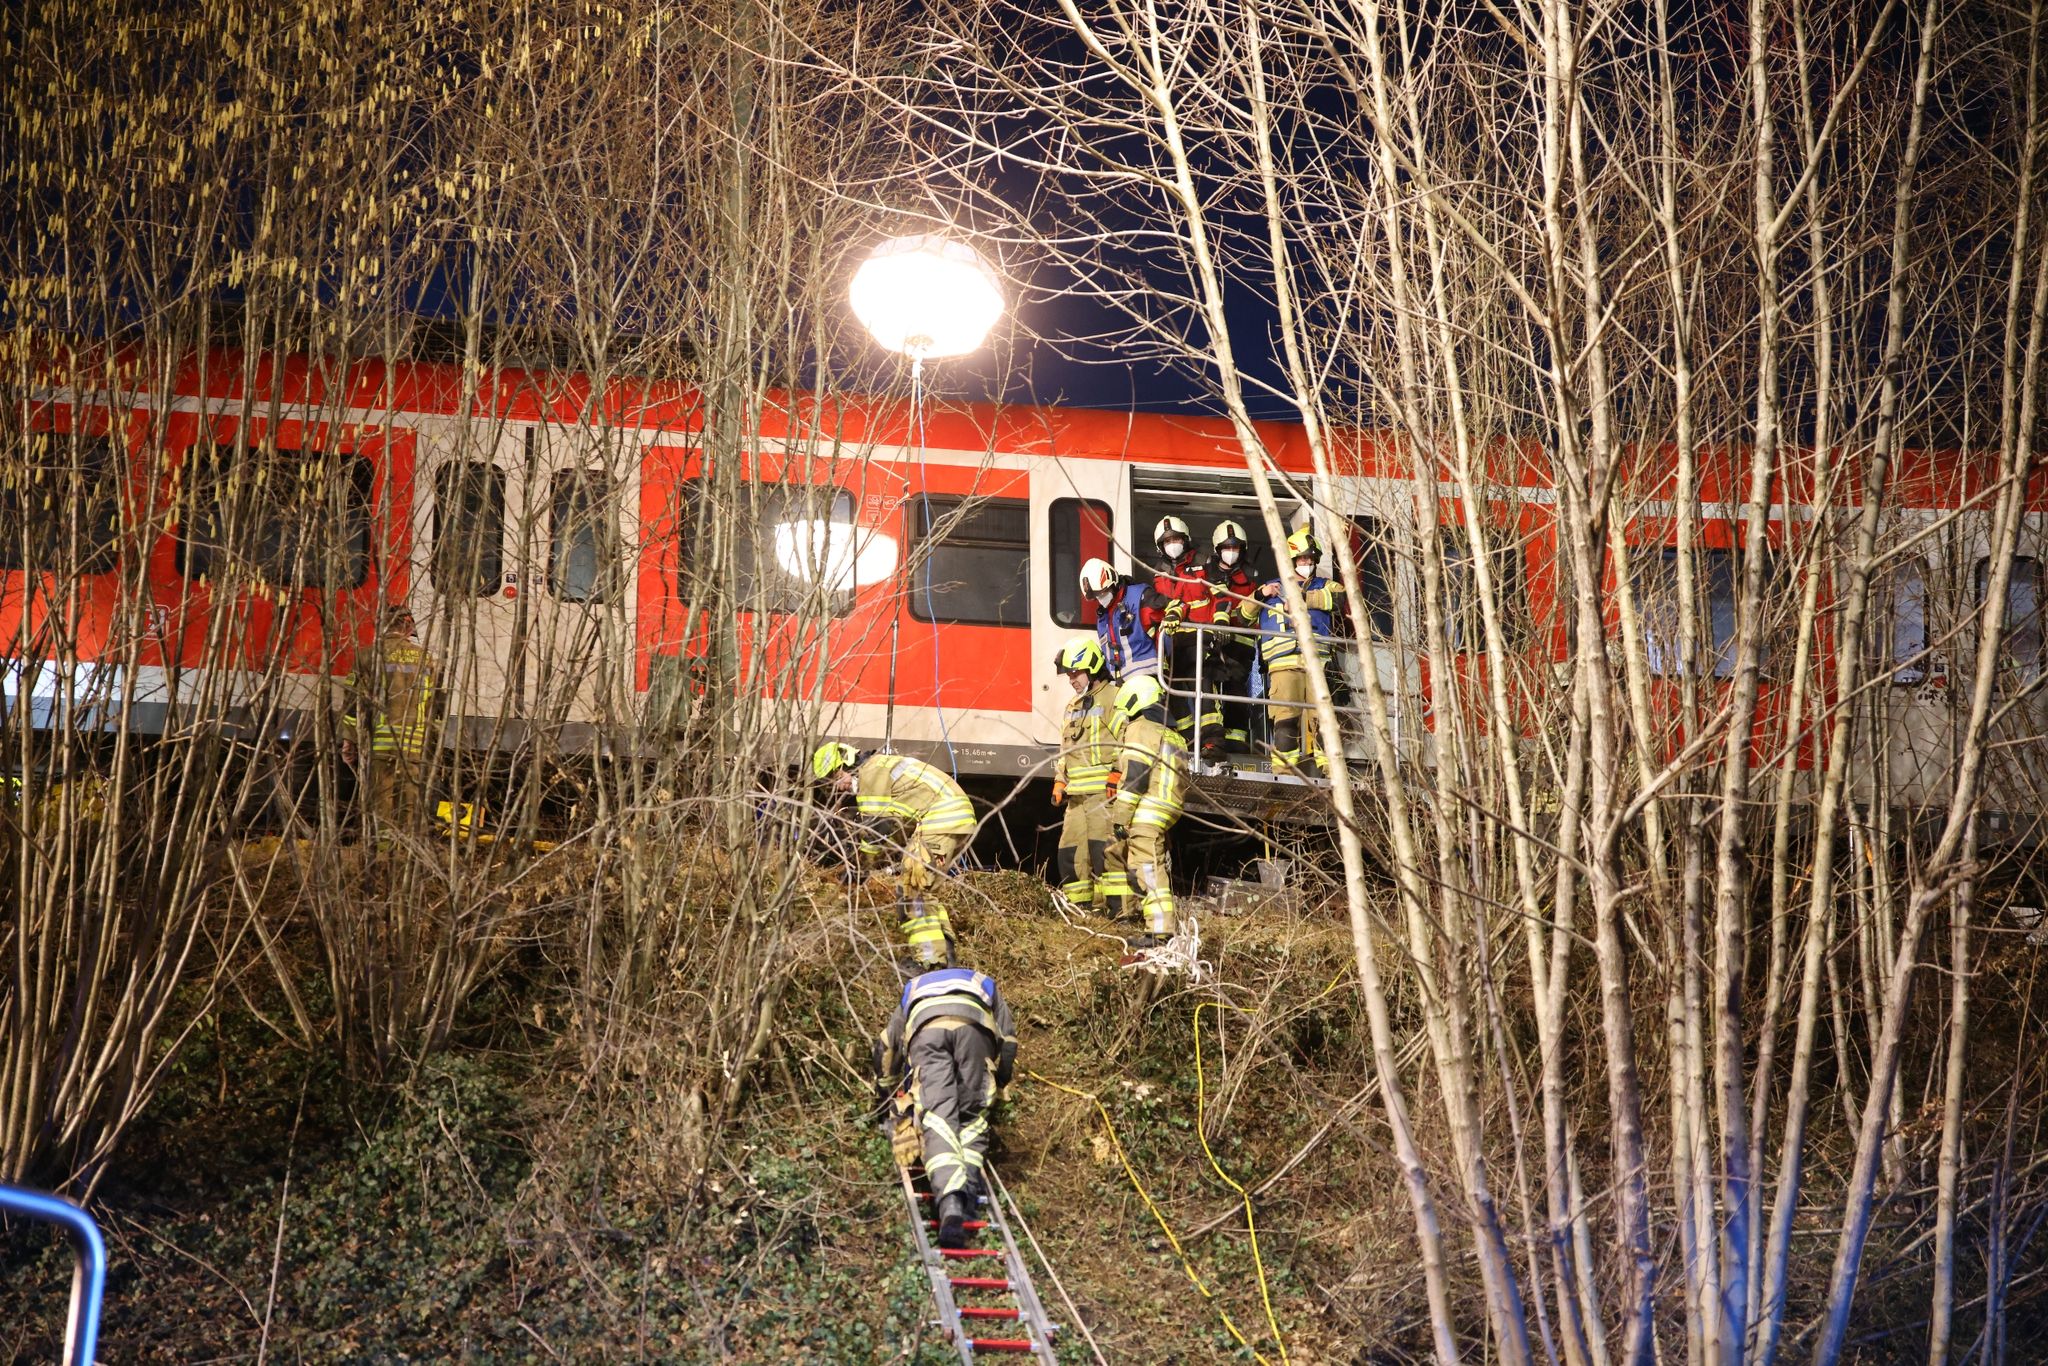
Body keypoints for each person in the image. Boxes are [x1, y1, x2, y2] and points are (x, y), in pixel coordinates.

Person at [873, 966, 1018, 1248]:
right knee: (972, 1116)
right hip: (975, 1034)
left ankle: (950, 1203)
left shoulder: (913, 987)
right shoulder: (982, 980)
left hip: (927, 1035)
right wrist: (1000, 1080)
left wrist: (884, 1092)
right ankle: (967, 1196)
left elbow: (887, 1046)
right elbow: (1009, 1041)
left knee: (938, 1117)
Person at [813, 742, 976, 966]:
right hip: (951, 818)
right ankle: (946, 958)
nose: (835, 787)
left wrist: (859, 870)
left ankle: (929, 963)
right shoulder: (880, 767)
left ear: (846, 765)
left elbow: (876, 831)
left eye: (834, 777)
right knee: (925, 892)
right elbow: (895, 826)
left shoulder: (871, 776)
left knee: (912, 892)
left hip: (940, 819)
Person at [342, 605, 438, 840]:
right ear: (407, 627)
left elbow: (352, 703)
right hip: (413, 748)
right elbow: (433, 705)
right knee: (408, 807)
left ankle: (381, 858)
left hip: (380, 746)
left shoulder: (367, 655)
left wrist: (349, 740)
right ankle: (402, 858)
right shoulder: (426, 659)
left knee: (381, 807)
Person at [1256, 527, 1346, 774]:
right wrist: (1258, 594)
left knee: (1324, 720)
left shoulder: (1328, 586)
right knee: (1286, 719)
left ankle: (1331, 771)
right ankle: (1284, 773)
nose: (1307, 562)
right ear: (1292, 560)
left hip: (1318, 663)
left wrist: (1301, 598)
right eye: (1302, 558)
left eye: (1310, 558)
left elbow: (1340, 600)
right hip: (1283, 665)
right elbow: (1243, 615)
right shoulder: (1271, 588)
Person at [1049, 635, 1127, 919]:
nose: (1072, 680)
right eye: (1069, 674)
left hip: (1103, 797)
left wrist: (1118, 773)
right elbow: (1064, 749)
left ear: (1092, 668)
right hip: (1076, 799)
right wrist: (1060, 780)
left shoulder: (1114, 698)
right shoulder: (1072, 706)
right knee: (1070, 855)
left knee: (1104, 854)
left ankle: (1117, 913)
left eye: (1075, 673)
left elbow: (1126, 740)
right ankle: (1078, 910)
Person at [1108, 673, 1187, 949]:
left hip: (1149, 808)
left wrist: (1120, 817)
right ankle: (1153, 922)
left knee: (1148, 866)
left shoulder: (1140, 729)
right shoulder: (1172, 733)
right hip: (1169, 805)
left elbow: (1135, 777)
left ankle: (1160, 931)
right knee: (1146, 862)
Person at [1148, 516, 1225, 754]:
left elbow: (1221, 595)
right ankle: (1187, 740)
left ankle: (1212, 741)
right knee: (1176, 692)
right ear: (1160, 546)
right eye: (1167, 541)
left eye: (1176, 539)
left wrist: (1220, 623)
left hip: (1201, 638)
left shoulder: (1204, 563)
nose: (1173, 544)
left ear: (1186, 540)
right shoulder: (1159, 573)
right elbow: (1161, 607)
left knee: (1203, 688)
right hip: (1174, 642)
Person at [1203, 520, 1263, 758]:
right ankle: (1212, 739)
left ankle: (1237, 740)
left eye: (1236, 547)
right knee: (1210, 691)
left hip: (1241, 645)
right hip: (1212, 641)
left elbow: (1250, 611)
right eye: (1227, 547)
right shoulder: (1206, 574)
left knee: (1236, 693)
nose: (1231, 551)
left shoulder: (1250, 577)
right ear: (1217, 549)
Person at [1079, 557, 1160, 681]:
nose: (1101, 598)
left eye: (1102, 592)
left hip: (1148, 679)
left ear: (1113, 582)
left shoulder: (1139, 597)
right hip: (1120, 686)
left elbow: (1167, 617)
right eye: (1096, 596)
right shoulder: (1103, 618)